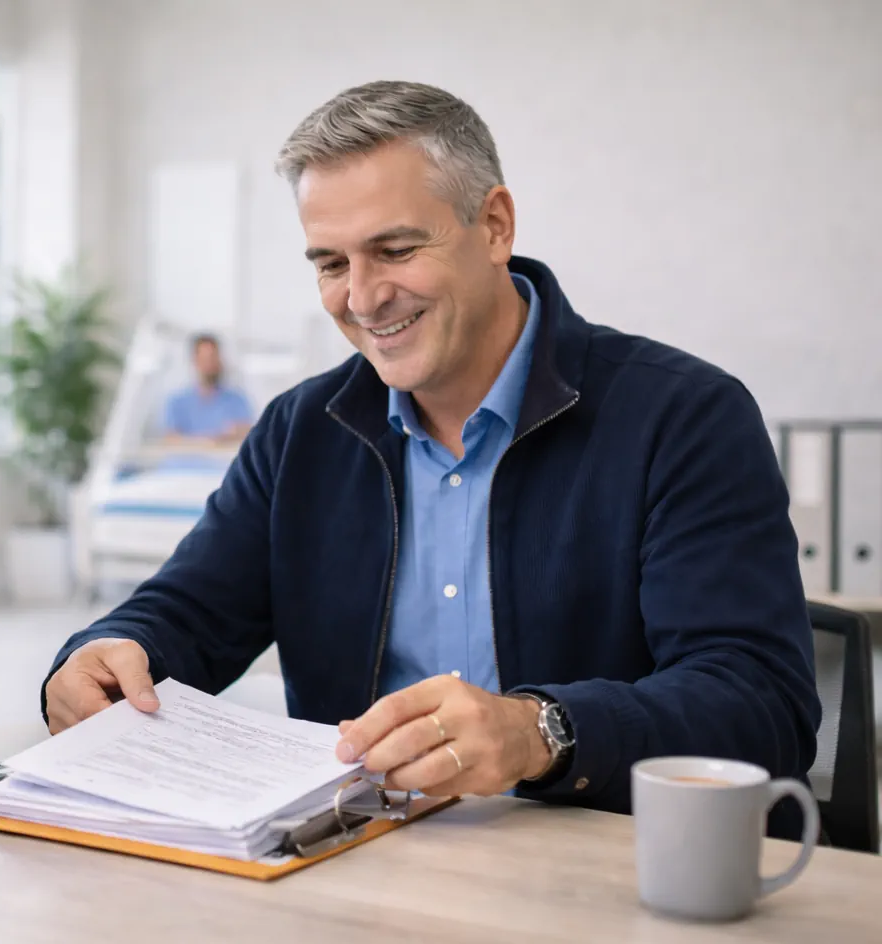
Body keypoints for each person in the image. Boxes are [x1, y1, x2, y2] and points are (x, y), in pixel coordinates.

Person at [42, 82, 820, 838]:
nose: (364, 297)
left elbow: (760, 706)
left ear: (494, 225)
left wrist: (541, 731)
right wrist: (107, 656)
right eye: (331, 263)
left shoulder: (684, 417)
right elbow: (187, 611)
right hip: (357, 870)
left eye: (395, 249)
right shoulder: (299, 431)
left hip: (608, 878)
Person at [160, 332, 254, 443]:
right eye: (205, 358)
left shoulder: (237, 400)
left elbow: (247, 433)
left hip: (223, 459)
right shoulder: (176, 401)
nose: (210, 364)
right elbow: (170, 438)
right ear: (195, 360)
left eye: (213, 357)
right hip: (186, 459)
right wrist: (211, 439)